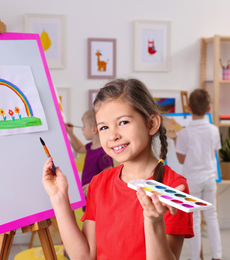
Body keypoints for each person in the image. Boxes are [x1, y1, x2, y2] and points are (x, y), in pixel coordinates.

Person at [42, 78, 193, 260]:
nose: (113, 135)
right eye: (104, 127)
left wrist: (154, 222)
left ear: (151, 124)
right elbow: (84, 256)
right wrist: (59, 198)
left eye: (123, 122)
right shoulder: (99, 183)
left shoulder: (173, 186)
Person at [175, 88, 222, 260]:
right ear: (209, 108)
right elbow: (214, 152)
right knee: (212, 217)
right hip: (210, 178)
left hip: (192, 180)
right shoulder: (214, 130)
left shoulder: (184, 133)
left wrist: (175, 142)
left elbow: (181, 159)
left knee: (194, 219)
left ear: (188, 108)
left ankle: (196, 257)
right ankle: (217, 256)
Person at [65, 109, 113, 201]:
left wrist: (93, 185)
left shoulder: (104, 153)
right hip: (89, 196)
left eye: (84, 126)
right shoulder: (90, 147)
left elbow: (109, 176)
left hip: (98, 198)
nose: (82, 129)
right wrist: (70, 133)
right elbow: (79, 148)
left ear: (94, 129)